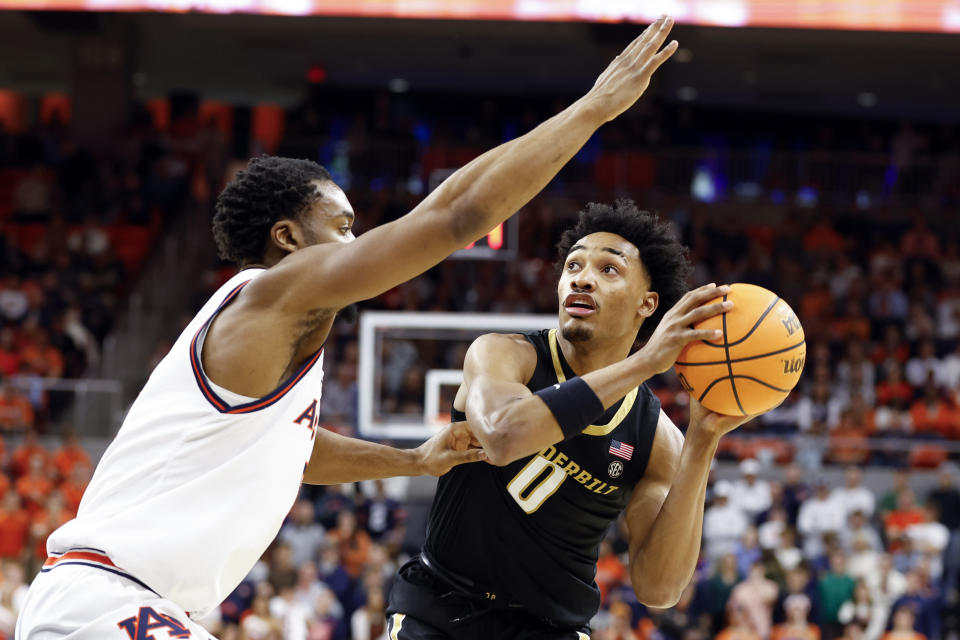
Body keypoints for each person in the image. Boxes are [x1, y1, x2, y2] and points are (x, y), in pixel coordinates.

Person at [16, 16, 684, 637]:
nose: (358, 241)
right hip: (109, 601)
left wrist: (411, 460)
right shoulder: (272, 293)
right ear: (286, 237)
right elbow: (452, 216)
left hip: (130, 603)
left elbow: (295, 452)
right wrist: (592, 110)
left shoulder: (269, 342)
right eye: (341, 227)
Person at [386, 199, 761, 639]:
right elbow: (504, 437)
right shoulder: (505, 355)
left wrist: (702, 440)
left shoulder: (655, 436)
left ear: (648, 304)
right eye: (573, 265)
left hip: (553, 627)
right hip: (441, 609)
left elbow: (659, 589)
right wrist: (645, 364)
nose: (581, 278)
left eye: (609, 270)